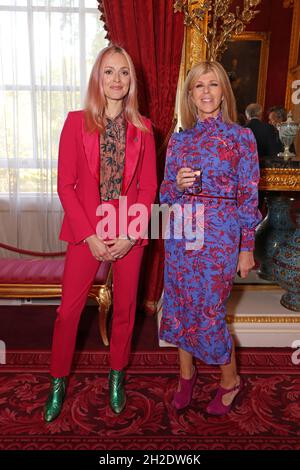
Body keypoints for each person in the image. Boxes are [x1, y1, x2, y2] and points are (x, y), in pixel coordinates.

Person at [44, 45, 157, 422]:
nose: (116, 80)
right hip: (85, 232)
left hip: (129, 231)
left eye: (124, 72)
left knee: (125, 310)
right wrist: (90, 235)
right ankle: (58, 382)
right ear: (98, 78)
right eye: (109, 72)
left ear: (131, 80)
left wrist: (128, 235)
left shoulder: (144, 129)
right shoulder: (75, 123)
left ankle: (116, 377)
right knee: (68, 312)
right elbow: (65, 185)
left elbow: (147, 190)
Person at [159, 61, 262, 416]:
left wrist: (246, 247)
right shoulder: (179, 139)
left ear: (223, 92)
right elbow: (165, 195)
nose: (205, 91)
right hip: (180, 235)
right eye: (198, 86)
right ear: (189, 95)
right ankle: (186, 376)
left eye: (213, 84)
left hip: (220, 234)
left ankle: (230, 381)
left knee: (209, 311)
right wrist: (176, 185)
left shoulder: (241, 137)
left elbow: (249, 196)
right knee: (178, 305)